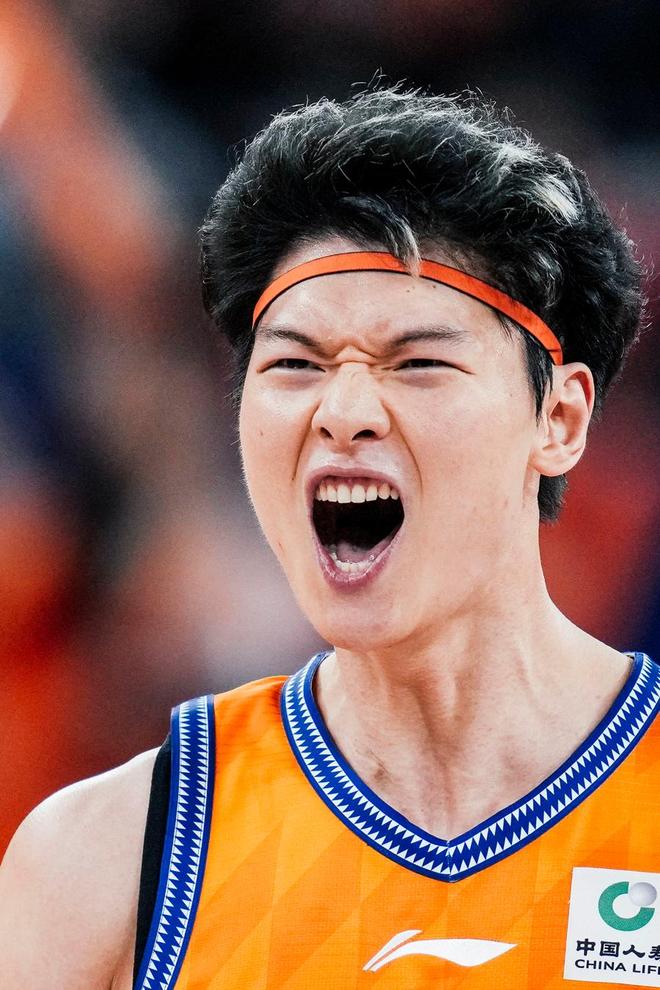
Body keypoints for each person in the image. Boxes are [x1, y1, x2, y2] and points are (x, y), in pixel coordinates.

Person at [1, 87, 657, 990]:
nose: (343, 410)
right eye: (295, 363)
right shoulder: (106, 859)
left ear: (561, 418)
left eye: (417, 362)